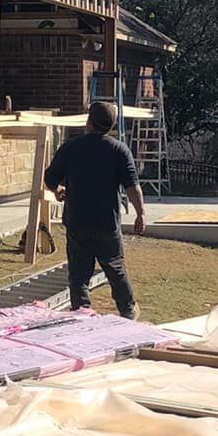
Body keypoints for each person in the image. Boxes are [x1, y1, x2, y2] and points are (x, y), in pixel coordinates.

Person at [44, 99, 146, 318]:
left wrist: (57, 189)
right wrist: (140, 214)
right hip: (106, 222)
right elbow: (133, 187)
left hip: (77, 221)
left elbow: (50, 177)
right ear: (111, 125)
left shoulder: (70, 148)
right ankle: (128, 311)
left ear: (89, 121)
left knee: (79, 274)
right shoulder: (119, 150)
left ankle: (81, 313)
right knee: (115, 268)